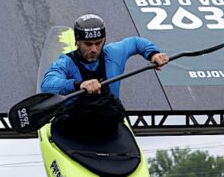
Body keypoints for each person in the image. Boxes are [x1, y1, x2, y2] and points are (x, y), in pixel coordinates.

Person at [41, 14, 168, 142]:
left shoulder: (113, 54)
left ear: (104, 40)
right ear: (77, 41)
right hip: (73, 127)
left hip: (108, 124)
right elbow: (47, 85)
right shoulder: (65, 63)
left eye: (98, 43)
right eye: (88, 44)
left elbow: (135, 42)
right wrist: (79, 84)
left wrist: (153, 54)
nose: (94, 49)